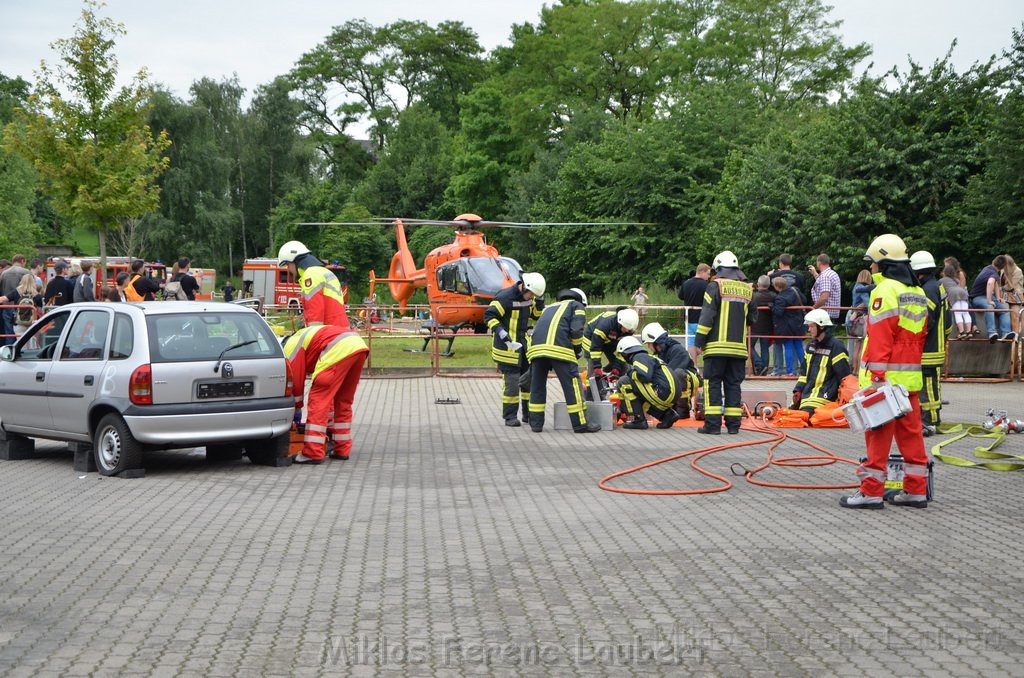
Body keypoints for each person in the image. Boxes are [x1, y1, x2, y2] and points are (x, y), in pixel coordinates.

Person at [841, 234, 930, 509]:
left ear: (883, 262)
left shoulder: (885, 291)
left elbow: (881, 338)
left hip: (886, 381)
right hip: (909, 380)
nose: (872, 268)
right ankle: (916, 491)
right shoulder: (917, 292)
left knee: (878, 438)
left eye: (873, 263)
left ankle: (870, 492)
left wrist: (877, 380)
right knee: (912, 436)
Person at [283, 323, 369, 464]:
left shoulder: (291, 345)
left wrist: (296, 407)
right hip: (358, 346)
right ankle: (342, 449)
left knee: (319, 400)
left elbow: (296, 381)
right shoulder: (306, 335)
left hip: (338, 349)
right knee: (343, 401)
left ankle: (313, 452)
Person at [694, 251, 756, 435]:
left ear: (718, 268)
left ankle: (712, 426)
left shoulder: (715, 286)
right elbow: (752, 318)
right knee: (733, 385)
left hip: (716, 347)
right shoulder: (747, 289)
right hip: (738, 349)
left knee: (712, 383)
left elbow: (707, 316)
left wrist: (699, 340)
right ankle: (733, 426)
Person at [526, 288, 601, 434]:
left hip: (536, 350)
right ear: (581, 301)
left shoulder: (550, 307)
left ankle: (536, 424)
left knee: (537, 387)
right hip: (560, 350)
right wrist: (577, 349)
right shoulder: (576, 306)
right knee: (572, 386)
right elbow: (577, 330)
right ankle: (580, 424)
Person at [483, 272, 546, 426]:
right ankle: (510, 416)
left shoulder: (530, 298)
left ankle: (527, 414)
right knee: (511, 384)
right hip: (506, 349)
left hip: (523, 347)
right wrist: (501, 332)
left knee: (527, 382)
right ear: (525, 287)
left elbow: (536, 315)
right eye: (531, 295)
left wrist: (540, 301)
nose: (531, 298)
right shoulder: (504, 297)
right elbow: (489, 316)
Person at [911, 251, 951, 436]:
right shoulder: (938, 286)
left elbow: (925, 321)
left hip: (928, 349)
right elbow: (948, 322)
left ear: (919, 272)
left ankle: (930, 421)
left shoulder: (928, 290)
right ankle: (931, 418)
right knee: (932, 384)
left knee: (928, 386)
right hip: (936, 346)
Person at [791, 309, 851, 416]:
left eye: (812, 326)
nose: (809, 330)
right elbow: (804, 374)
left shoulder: (836, 347)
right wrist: (798, 390)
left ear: (821, 326)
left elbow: (844, 377)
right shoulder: (811, 346)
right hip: (808, 394)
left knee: (803, 416)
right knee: (788, 413)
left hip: (826, 395)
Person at [616, 336, 682, 429]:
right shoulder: (647, 357)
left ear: (626, 353)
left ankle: (637, 420)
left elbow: (644, 376)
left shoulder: (638, 357)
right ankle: (666, 415)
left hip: (663, 392)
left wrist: (630, 373)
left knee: (624, 382)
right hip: (671, 393)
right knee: (638, 395)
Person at [277, 240, 347, 327]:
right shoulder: (323, 271)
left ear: (294, 261)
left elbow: (315, 314)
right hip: (340, 330)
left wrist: (311, 336)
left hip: (329, 334)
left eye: (288, 265)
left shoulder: (311, 275)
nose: (288, 269)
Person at [640, 322, 701, 419]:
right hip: (681, 381)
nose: (648, 347)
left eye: (649, 344)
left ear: (656, 342)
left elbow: (669, 373)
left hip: (690, 381)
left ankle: (683, 410)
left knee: (677, 374)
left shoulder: (676, 350)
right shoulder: (663, 352)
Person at [581, 307, 639, 400]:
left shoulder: (628, 329)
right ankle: (591, 398)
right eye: (627, 329)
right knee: (593, 371)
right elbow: (595, 347)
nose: (628, 332)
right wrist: (597, 366)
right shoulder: (605, 325)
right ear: (620, 324)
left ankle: (621, 393)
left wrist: (616, 367)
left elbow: (622, 351)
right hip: (591, 339)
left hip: (608, 342)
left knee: (623, 367)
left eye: (629, 330)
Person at [969, 255, 1014, 342]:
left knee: (1004, 309)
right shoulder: (993, 273)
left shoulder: (989, 268)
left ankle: (1006, 333)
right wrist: (989, 300)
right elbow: (990, 283)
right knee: (989, 307)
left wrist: (998, 298)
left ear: (993, 261)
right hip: (977, 297)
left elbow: (995, 284)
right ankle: (992, 332)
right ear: (1003, 267)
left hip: (987, 296)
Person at [771, 277, 804, 377]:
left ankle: (790, 371)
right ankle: (805, 368)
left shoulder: (780, 298)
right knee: (799, 346)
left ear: (777, 287)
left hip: (787, 325)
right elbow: (804, 299)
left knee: (788, 346)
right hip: (798, 323)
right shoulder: (795, 290)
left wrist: (771, 306)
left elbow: (779, 312)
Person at [678, 264, 711, 362]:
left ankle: (694, 368)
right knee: (705, 343)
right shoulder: (706, 285)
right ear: (702, 272)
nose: (709, 276)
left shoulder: (686, 283)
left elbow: (681, 296)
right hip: (702, 319)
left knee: (691, 343)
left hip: (689, 318)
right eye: (708, 274)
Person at [846, 269, 875, 367]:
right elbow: (868, 303)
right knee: (861, 344)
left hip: (855, 318)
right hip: (861, 319)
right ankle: (858, 369)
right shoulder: (861, 288)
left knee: (857, 345)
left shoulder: (856, 286)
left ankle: (854, 369)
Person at [0, 254, 30, 346]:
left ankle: (8, 352)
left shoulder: (4, 273)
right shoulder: (26, 272)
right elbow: (32, 289)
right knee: (23, 333)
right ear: (22, 261)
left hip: (7, 305)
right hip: (22, 308)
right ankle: (19, 351)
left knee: (8, 333)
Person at [750, 275, 776, 376]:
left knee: (749, 346)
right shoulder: (773, 296)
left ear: (759, 284)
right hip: (768, 326)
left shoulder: (754, 296)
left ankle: (759, 363)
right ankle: (764, 367)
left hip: (755, 325)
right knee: (765, 348)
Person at [940, 263, 973, 338]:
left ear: (944, 272)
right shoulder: (956, 280)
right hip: (963, 292)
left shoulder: (941, 281)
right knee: (965, 313)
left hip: (953, 294)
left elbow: (942, 292)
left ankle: (961, 332)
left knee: (958, 313)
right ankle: (969, 331)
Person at [808, 253, 841, 324]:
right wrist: (814, 273)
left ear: (819, 263)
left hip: (825, 314)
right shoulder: (832, 274)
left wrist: (813, 308)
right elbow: (822, 283)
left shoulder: (825, 276)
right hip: (832, 313)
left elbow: (824, 297)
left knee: (823, 334)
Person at [1002, 254, 1024, 334]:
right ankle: (1007, 333)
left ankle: (1016, 335)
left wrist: (1000, 288)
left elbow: (1011, 286)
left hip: (1016, 295)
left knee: (1015, 315)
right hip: (1005, 294)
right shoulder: (1003, 269)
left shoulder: (1018, 271)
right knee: (1004, 311)